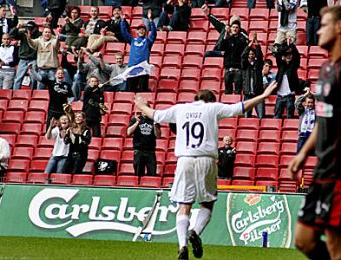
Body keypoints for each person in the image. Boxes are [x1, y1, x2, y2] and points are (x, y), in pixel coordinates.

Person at [134, 82, 278, 259]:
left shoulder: (180, 109)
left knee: (184, 205)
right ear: (211, 101)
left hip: (184, 159)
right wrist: (263, 97)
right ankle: (195, 231)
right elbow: (239, 107)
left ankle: (182, 245)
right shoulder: (212, 108)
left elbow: (155, 114)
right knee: (207, 203)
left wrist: (141, 105)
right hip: (206, 160)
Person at [288, 6, 341, 260]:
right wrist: (303, 155)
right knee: (304, 240)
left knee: (334, 244)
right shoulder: (325, 70)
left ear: (339, 28)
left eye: (324, 24)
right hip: (322, 168)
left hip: (337, 171)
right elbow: (322, 119)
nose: (318, 29)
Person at [121, 11, 156, 92]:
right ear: (137, 31)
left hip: (143, 68)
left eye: (143, 29)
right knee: (130, 90)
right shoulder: (133, 40)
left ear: (146, 32)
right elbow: (124, 33)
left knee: (143, 90)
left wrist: (151, 21)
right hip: (132, 67)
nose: (141, 31)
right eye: (139, 29)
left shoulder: (148, 41)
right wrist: (122, 21)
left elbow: (154, 34)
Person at [127, 106, 161, 177]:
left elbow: (158, 135)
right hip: (139, 150)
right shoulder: (135, 120)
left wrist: (155, 125)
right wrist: (137, 123)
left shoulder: (153, 121)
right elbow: (129, 132)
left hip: (150, 151)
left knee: (152, 174)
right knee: (138, 174)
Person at [273, 41, 301, 119]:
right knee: (276, 118)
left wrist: (291, 45)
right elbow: (278, 55)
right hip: (280, 96)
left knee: (290, 118)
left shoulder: (294, 66)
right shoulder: (281, 65)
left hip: (290, 96)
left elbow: (297, 56)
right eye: (287, 55)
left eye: (290, 55)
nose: (289, 56)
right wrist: (285, 44)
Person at [9, 21, 41, 90]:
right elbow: (11, 35)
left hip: (33, 59)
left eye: (31, 28)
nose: (29, 30)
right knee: (18, 78)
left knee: (33, 79)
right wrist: (17, 27)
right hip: (23, 59)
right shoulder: (23, 33)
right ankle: (15, 94)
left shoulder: (38, 35)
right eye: (28, 28)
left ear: (35, 28)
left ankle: (33, 94)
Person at [241, 33, 265, 119]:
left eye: (252, 54)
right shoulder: (245, 65)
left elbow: (260, 56)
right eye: (250, 54)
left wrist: (257, 44)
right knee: (246, 117)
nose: (251, 55)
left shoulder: (258, 65)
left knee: (261, 117)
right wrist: (249, 45)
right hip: (248, 94)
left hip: (258, 94)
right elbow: (243, 56)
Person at [221, 18, 248, 94]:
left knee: (238, 91)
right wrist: (226, 35)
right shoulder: (227, 39)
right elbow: (221, 47)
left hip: (238, 69)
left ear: (239, 29)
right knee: (227, 91)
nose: (235, 29)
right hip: (228, 69)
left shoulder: (241, 39)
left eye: (236, 27)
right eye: (233, 27)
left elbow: (244, 45)